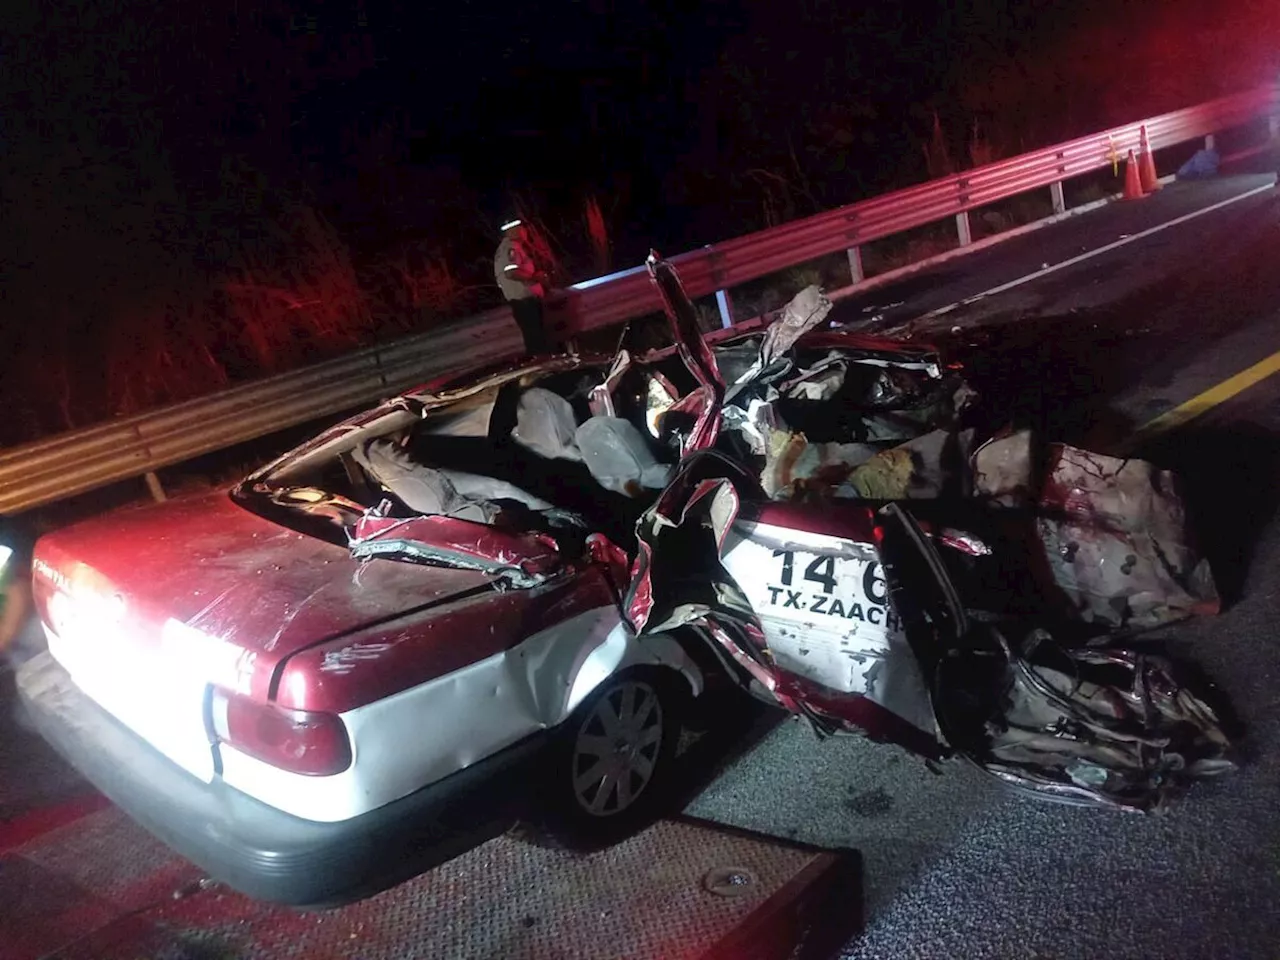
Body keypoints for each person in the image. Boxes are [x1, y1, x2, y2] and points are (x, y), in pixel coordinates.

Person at [494, 218, 553, 355]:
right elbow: (511, 273)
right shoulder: (511, 248)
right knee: (537, 341)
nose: (524, 231)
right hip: (525, 303)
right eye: (521, 228)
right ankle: (543, 369)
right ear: (512, 230)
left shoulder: (508, 248)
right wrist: (535, 278)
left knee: (534, 339)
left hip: (523, 302)